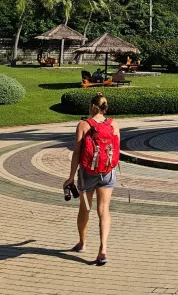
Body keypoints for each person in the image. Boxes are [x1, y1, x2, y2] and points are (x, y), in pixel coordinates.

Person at [64, 94, 119, 266]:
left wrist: (70, 177)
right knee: (104, 210)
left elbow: (77, 153)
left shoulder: (83, 125)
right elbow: (117, 147)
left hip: (87, 174)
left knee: (85, 208)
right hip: (108, 173)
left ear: (92, 107)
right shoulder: (113, 123)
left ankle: (82, 243)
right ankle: (103, 249)